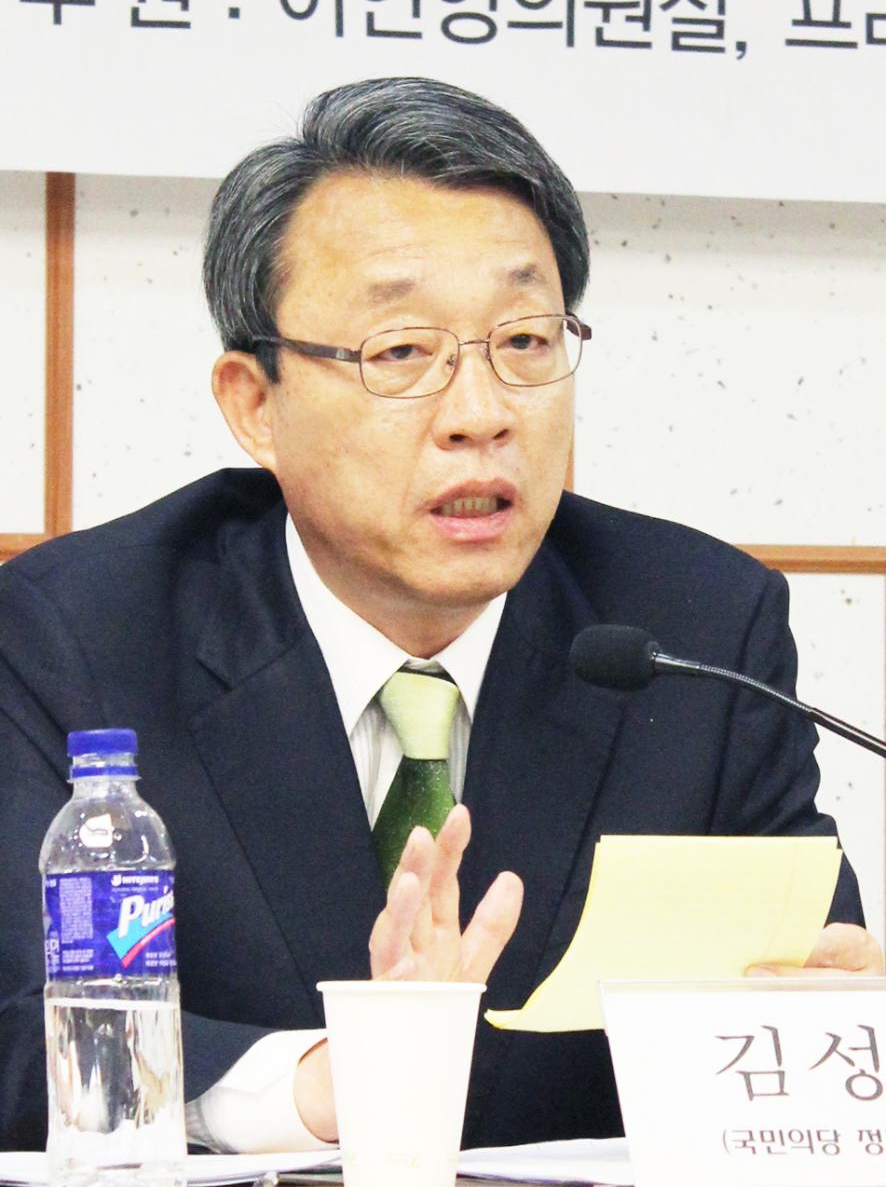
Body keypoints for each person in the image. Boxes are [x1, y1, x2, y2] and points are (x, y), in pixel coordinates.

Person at [0, 77, 881, 1155]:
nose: (480, 415)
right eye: (401, 352)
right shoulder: (78, 637)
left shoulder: (695, 630)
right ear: (255, 404)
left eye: (525, 341)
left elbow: (802, 1014)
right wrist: (315, 1089)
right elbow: (15, 1033)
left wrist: (839, 1026)